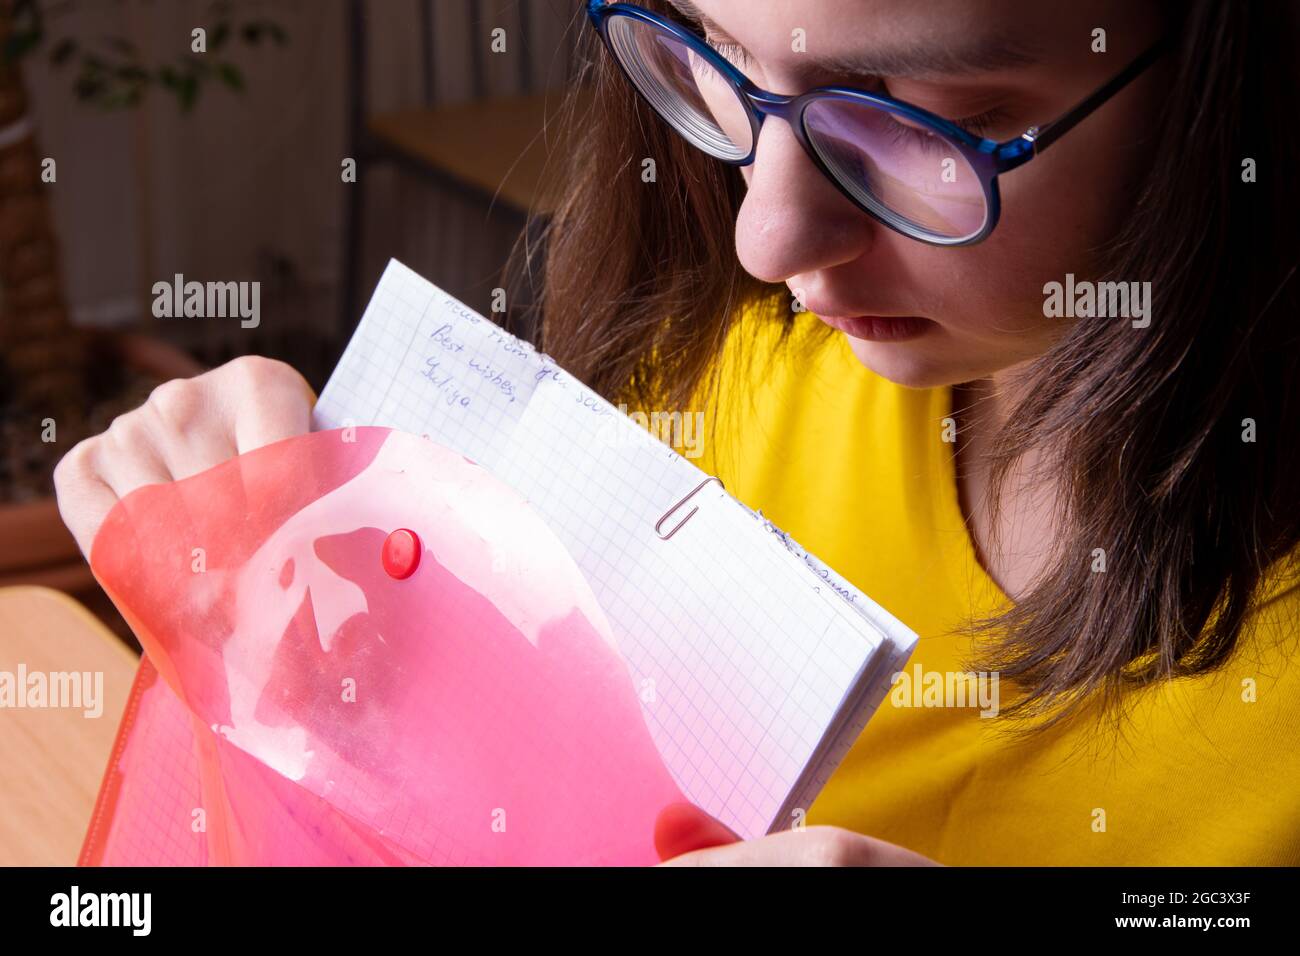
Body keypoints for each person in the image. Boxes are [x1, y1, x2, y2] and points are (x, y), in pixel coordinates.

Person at [55, 0, 1300, 865]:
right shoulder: (720, 366)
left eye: (916, 115)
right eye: (712, 54)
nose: (767, 238)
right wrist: (270, 583)